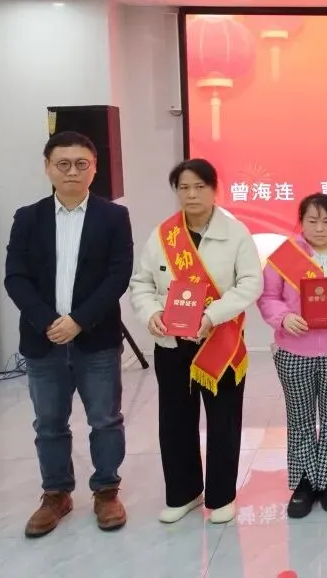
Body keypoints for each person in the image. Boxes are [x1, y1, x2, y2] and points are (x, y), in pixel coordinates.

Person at [4, 131, 134, 538]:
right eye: (63, 164)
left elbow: (118, 276)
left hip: (95, 338)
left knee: (105, 419)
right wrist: (48, 321)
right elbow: (15, 277)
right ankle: (56, 494)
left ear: (94, 169)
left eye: (81, 164)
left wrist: (78, 320)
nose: (72, 172)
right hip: (43, 340)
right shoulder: (28, 218)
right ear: (48, 168)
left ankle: (106, 491)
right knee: (49, 423)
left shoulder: (113, 217)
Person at [129, 159, 263, 525]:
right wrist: (151, 313)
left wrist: (212, 316)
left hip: (220, 342)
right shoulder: (163, 235)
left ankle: (222, 497)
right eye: (184, 188)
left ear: (214, 189)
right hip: (172, 345)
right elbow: (141, 283)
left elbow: (250, 283)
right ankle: (184, 493)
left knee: (223, 421)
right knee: (175, 421)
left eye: (200, 187)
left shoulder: (235, 233)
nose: (191, 194)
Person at [257, 192, 327, 519]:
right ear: (301, 222)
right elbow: (267, 297)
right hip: (294, 351)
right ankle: (305, 482)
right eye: (312, 220)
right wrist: (283, 318)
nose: (320, 228)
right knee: (300, 419)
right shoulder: (283, 256)